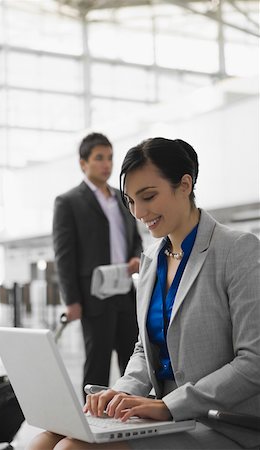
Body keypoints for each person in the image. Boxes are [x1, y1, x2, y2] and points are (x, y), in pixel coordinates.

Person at [29, 137, 260, 450]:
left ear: (185, 184)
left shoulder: (237, 250)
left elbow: (254, 361)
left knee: (71, 448)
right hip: (162, 415)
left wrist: (169, 405)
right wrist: (121, 393)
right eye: (130, 201)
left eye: (148, 196)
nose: (138, 212)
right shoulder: (151, 259)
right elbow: (143, 347)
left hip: (219, 422)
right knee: (44, 440)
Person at [52, 132, 142, 400]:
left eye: (110, 158)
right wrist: (72, 300)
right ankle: (92, 421)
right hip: (93, 296)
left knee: (133, 359)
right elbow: (64, 255)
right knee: (97, 361)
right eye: (99, 158)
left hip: (125, 291)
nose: (107, 164)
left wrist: (137, 257)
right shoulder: (68, 202)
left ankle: (130, 412)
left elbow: (134, 238)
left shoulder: (122, 198)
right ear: (83, 163)